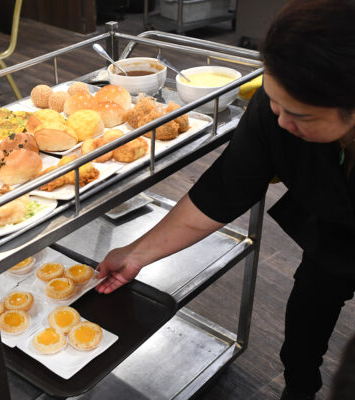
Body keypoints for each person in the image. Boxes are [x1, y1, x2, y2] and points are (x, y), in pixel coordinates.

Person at [95, 1, 355, 399]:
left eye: (300, 116)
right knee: (308, 316)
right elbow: (224, 190)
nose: (281, 120)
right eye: (273, 100)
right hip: (332, 230)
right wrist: (136, 253)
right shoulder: (276, 114)